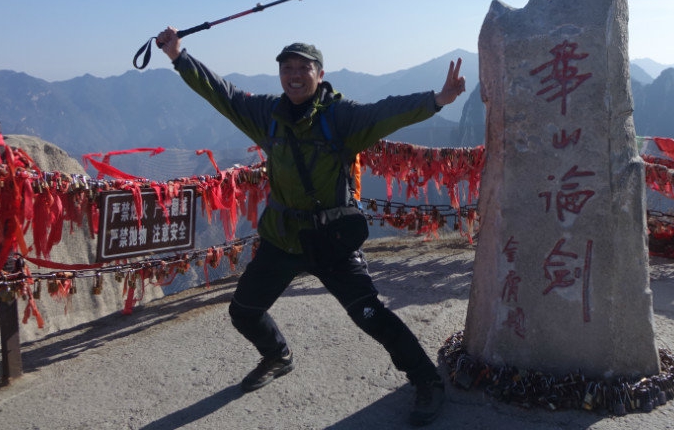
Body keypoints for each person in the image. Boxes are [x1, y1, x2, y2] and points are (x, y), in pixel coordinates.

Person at [157, 27, 465, 426]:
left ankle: (426, 381)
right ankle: (277, 356)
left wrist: (437, 100)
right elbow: (223, 94)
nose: (295, 75)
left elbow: (386, 111)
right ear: (280, 74)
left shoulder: (342, 117)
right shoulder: (267, 115)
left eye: (304, 67)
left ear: (320, 74)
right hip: (284, 237)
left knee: (369, 313)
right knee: (244, 311)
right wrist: (179, 57)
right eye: (287, 68)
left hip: (332, 237)